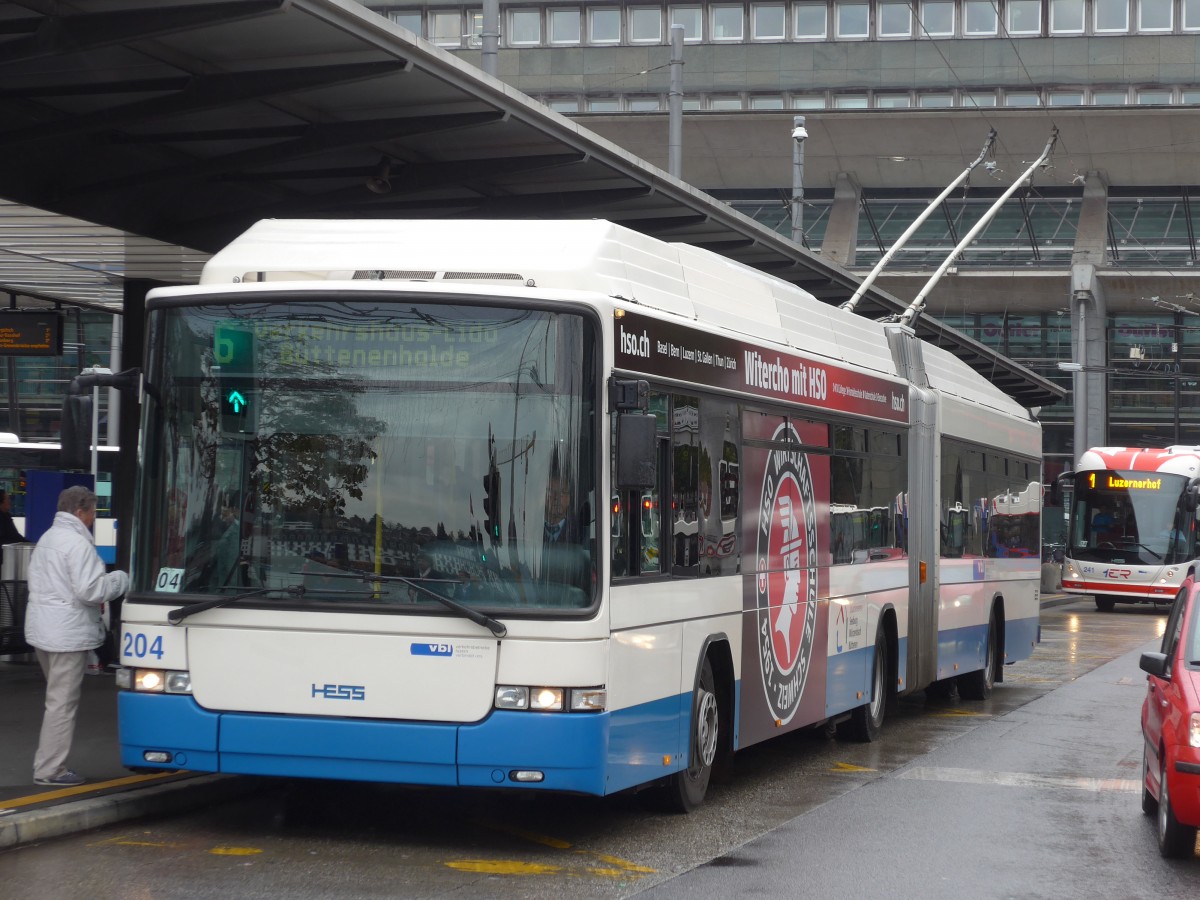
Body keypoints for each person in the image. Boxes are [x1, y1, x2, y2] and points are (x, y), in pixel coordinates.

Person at [24, 485, 128, 786]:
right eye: (93, 512)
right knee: (61, 705)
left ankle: (47, 764)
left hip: (43, 631)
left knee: (55, 701)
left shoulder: (47, 539)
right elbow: (90, 590)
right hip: (66, 635)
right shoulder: (78, 545)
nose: (94, 518)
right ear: (80, 511)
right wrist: (120, 579)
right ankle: (50, 770)